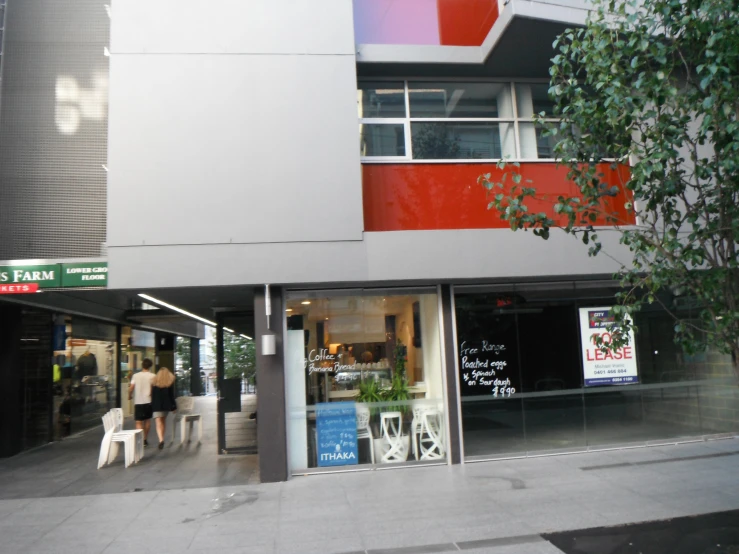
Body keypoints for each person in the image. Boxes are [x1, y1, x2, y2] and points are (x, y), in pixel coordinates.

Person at [128, 358, 156, 446]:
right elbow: (153, 389)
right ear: (150, 366)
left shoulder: (136, 376)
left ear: (142, 365)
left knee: (138, 421)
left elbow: (131, 388)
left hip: (138, 401)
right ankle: (144, 439)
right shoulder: (153, 376)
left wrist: (129, 395)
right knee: (147, 420)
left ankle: (139, 440)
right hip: (148, 401)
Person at [151, 366, 177, 449]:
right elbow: (171, 396)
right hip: (165, 405)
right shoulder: (169, 384)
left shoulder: (154, 384)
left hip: (156, 405)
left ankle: (160, 439)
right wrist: (173, 407)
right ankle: (162, 438)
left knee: (158, 422)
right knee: (162, 421)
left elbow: (153, 396)